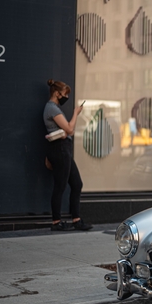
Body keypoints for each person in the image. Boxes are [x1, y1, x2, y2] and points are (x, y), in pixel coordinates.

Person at [44, 79, 91, 231]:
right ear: (57, 93)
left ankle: (76, 219)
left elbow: (66, 131)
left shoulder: (54, 108)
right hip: (60, 150)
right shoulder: (52, 108)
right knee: (60, 186)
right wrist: (76, 113)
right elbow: (70, 129)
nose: (66, 97)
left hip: (63, 149)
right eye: (65, 94)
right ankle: (56, 222)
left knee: (76, 184)